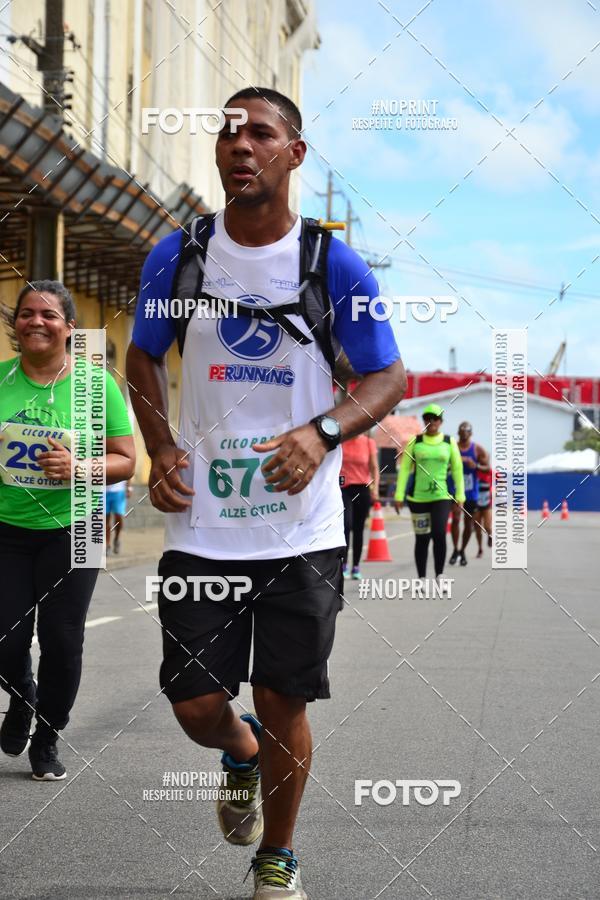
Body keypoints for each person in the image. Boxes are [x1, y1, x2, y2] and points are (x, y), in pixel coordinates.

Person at [126, 87, 406, 900]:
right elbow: (144, 357)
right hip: (202, 528)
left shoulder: (329, 264)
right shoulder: (177, 255)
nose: (239, 145)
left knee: (285, 698)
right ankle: (237, 753)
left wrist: (321, 433)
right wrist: (162, 446)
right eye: (227, 133)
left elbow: (388, 376)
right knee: (195, 704)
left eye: (260, 134)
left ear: (294, 154)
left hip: (302, 530)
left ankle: (276, 857)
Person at [0, 280, 135, 780]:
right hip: (6, 528)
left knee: (62, 639)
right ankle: (21, 699)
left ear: (69, 328)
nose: (36, 321)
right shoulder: (0, 380)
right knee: (6, 643)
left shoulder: (96, 386)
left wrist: (79, 467)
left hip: (75, 527)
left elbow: (126, 460)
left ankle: (47, 738)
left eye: (49, 315)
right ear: (16, 325)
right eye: (27, 313)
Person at [393, 404, 464, 588]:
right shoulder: (414, 442)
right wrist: (399, 495)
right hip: (418, 498)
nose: (431, 422)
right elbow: (404, 470)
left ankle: (439, 574)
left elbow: (457, 469)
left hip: (442, 497)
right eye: (427, 418)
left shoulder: (449, 442)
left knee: (439, 533)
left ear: (440, 422)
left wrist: (460, 495)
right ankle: (422, 578)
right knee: (422, 537)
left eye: (435, 418)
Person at [448, 421, 490, 567]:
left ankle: (462, 551)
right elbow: (444, 463)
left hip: (471, 492)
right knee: (455, 518)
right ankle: (455, 549)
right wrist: (455, 462)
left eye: (467, 432)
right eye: (462, 431)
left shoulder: (478, 449)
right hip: (454, 489)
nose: (464, 434)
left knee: (468, 523)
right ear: (458, 433)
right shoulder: (452, 447)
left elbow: (487, 468)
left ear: (471, 433)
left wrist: (476, 465)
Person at [340, 432, 379, 579]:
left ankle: (356, 566)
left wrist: (375, 489)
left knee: (359, 528)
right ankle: (343, 564)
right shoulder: (341, 441)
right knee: (346, 525)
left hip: (363, 488)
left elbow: (374, 467)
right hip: (344, 489)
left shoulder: (368, 442)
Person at [106, 479, 132, 554]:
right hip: (103, 491)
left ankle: (116, 538)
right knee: (105, 520)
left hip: (119, 491)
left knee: (118, 517)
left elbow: (128, 471)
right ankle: (107, 545)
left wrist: (129, 488)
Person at [474, 466, 493, 557]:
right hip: (476, 504)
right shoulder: (475, 471)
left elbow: (500, 481)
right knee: (477, 529)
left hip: (487, 504)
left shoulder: (490, 471)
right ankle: (480, 549)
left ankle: (490, 536)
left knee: (487, 526)